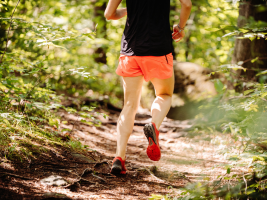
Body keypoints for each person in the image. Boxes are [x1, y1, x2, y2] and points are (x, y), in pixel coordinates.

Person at [104, 0, 192, 175]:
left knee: (129, 105)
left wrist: (133, 10)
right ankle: (154, 124)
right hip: (159, 49)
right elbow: (187, 4)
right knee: (165, 94)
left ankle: (119, 158)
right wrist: (180, 28)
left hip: (131, 50)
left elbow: (109, 14)